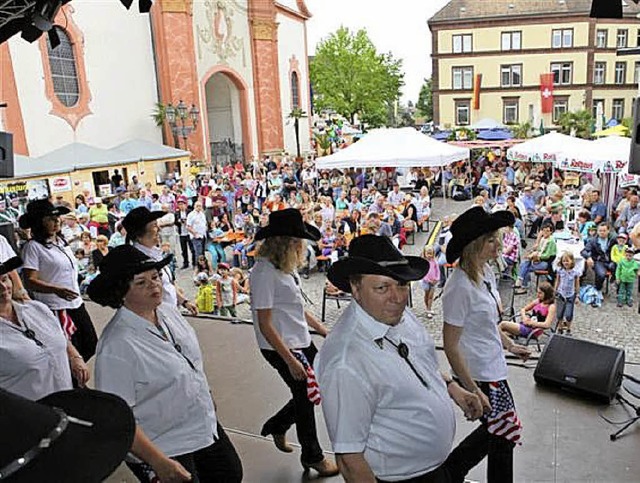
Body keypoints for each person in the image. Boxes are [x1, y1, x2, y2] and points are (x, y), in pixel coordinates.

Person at [315, 235, 483, 482]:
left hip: (437, 469)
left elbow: (422, 362)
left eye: (402, 285)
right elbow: (350, 460)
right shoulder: (346, 362)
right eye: (382, 287)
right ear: (355, 288)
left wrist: (452, 388)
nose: (398, 298)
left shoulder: (397, 316)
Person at [89, 245, 243, 482]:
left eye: (156, 277)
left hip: (200, 423)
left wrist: (205, 393)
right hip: (164, 442)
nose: (154, 285)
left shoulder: (169, 313)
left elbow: (190, 362)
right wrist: (158, 461)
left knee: (229, 473)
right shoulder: (117, 346)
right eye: (141, 282)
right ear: (121, 292)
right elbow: (117, 417)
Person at [442, 206, 530, 482]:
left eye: (498, 238)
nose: (498, 244)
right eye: (491, 239)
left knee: (500, 432)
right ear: (474, 245)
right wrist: (471, 389)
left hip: (493, 367)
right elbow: (450, 344)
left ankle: (450, 471)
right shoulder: (459, 286)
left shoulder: (485, 273)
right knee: (504, 431)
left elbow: (489, 324)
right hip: (478, 373)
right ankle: (451, 470)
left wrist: (510, 346)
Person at [249, 208, 338, 477]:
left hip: (298, 339)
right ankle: (313, 456)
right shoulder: (264, 273)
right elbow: (265, 323)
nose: (302, 246)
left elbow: (294, 307)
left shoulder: (283, 269)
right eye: (297, 241)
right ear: (285, 243)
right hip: (282, 346)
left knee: (309, 391)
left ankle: (278, 424)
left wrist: (322, 330)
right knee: (304, 399)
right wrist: (289, 360)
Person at [0, 256, 90, 399]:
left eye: (4, 279)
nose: (3, 287)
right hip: (30, 416)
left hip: (67, 404)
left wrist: (74, 357)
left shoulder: (37, 309)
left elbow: (59, 335)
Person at [20, 199, 98, 363]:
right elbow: (30, 281)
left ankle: (73, 378)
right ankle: (73, 381)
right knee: (70, 351)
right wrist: (56, 290)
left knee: (90, 343)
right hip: (57, 306)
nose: (57, 221)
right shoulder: (33, 247)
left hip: (75, 303)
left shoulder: (61, 242)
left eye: (57, 217)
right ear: (39, 222)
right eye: (50, 218)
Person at [122, 207, 198, 315]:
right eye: (154, 226)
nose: (159, 229)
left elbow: (167, 284)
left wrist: (184, 302)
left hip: (170, 313)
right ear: (139, 235)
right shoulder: (138, 262)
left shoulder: (155, 253)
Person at [514, 221, 557, 294]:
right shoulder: (543, 239)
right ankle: (522, 282)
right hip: (540, 260)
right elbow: (539, 250)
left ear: (551, 232)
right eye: (544, 231)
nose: (545, 232)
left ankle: (522, 284)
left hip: (546, 263)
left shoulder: (551, 241)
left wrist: (536, 255)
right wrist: (533, 251)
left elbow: (547, 256)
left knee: (525, 266)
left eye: (548, 231)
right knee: (525, 264)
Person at [581, 223, 616, 295]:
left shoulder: (613, 239)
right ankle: (598, 289)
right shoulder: (593, 241)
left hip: (611, 260)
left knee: (621, 267)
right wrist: (588, 257)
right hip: (599, 261)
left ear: (608, 231)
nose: (602, 232)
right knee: (601, 274)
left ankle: (617, 285)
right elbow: (584, 251)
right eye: (600, 231)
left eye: (604, 230)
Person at [554, 252, 580, 335]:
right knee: (559, 313)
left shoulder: (575, 272)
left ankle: (568, 328)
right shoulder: (560, 271)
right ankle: (560, 327)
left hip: (570, 295)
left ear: (572, 261)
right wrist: (555, 290)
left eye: (567, 261)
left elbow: (577, 284)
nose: (565, 263)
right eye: (564, 261)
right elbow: (557, 281)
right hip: (560, 294)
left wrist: (577, 296)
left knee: (569, 314)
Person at [420, 245, 440, 319]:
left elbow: (437, 271)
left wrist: (437, 279)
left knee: (431, 297)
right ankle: (427, 308)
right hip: (426, 282)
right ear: (424, 253)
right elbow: (423, 273)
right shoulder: (423, 263)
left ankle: (429, 309)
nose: (429, 255)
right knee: (427, 295)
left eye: (431, 253)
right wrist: (428, 280)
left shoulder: (435, 262)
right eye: (428, 253)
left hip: (433, 282)